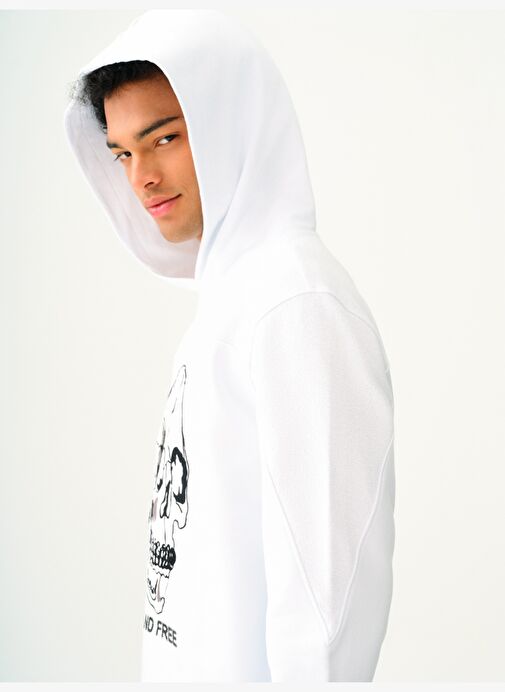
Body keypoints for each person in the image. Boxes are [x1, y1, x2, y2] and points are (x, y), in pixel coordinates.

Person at [63, 9, 396, 683]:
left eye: (164, 138)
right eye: (123, 153)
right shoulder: (234, 304)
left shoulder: (294, 304)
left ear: (230, 126)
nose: (140, 177)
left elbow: (326, 605)